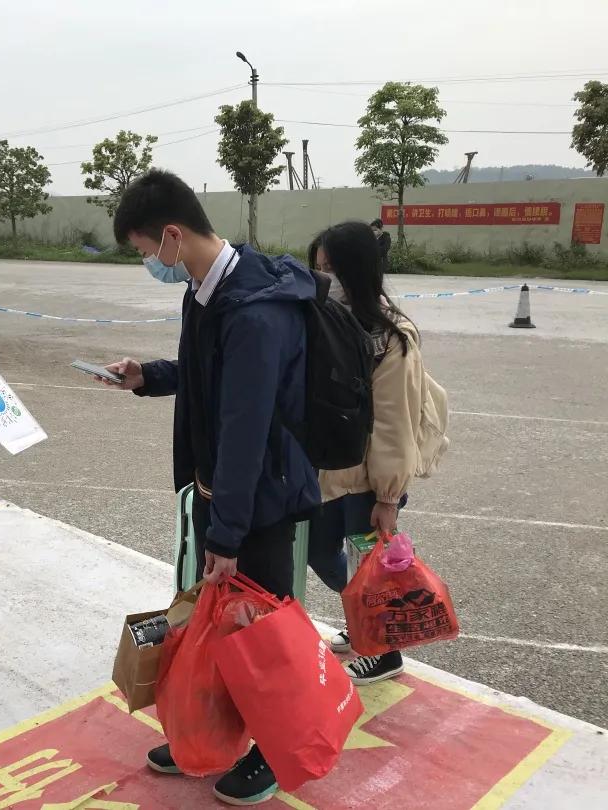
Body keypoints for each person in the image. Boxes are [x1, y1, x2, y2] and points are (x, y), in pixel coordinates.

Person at [100, 169, 320, 806]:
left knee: (261, 632)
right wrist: (149, 375)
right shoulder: (208, 288)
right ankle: (210, 731)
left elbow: (244, 429)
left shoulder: (255, 311)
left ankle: (273, 751)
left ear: (172, 236)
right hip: (220, 493)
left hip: (258, 499)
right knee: (214, 621)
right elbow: (208, 375)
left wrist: (227, 534)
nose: (149, 263)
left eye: (146, 251)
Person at [306, 220, 425, 685]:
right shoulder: (322, 320)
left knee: (369, 567)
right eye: (318, 268)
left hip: (370, 479)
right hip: (328, 471)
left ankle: (385, 649)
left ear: (356, 271)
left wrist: (388, 497)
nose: (325, 278)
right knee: (318, 552)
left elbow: (395, 421)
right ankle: (364, 621)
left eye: (332, 268)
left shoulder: (391, 336)